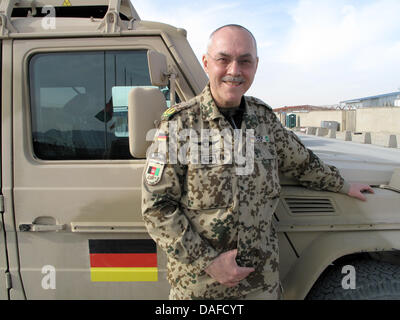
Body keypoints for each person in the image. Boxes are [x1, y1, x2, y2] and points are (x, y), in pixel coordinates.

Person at [141, 24, 374, 300]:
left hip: (260, 283)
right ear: (206, 63)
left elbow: (302, 163)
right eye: (223, 59)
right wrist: (209, 262)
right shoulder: (180, 125)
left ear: (256, 66)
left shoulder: (263, 119)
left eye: (245, 61)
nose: (234, 70)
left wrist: (344, 185)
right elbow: (156, 207)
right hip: (201, 288)